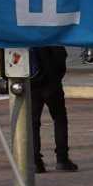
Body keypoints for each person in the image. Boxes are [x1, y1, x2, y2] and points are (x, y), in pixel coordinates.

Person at [27, 46, 77, 174]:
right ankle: (62, 159)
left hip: (33, 84)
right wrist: (56, 77)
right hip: (52, 84)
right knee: (59, 119)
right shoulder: (52, 34)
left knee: (33, 123)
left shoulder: (28, 35)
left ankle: (36, 161)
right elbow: (61, 57)